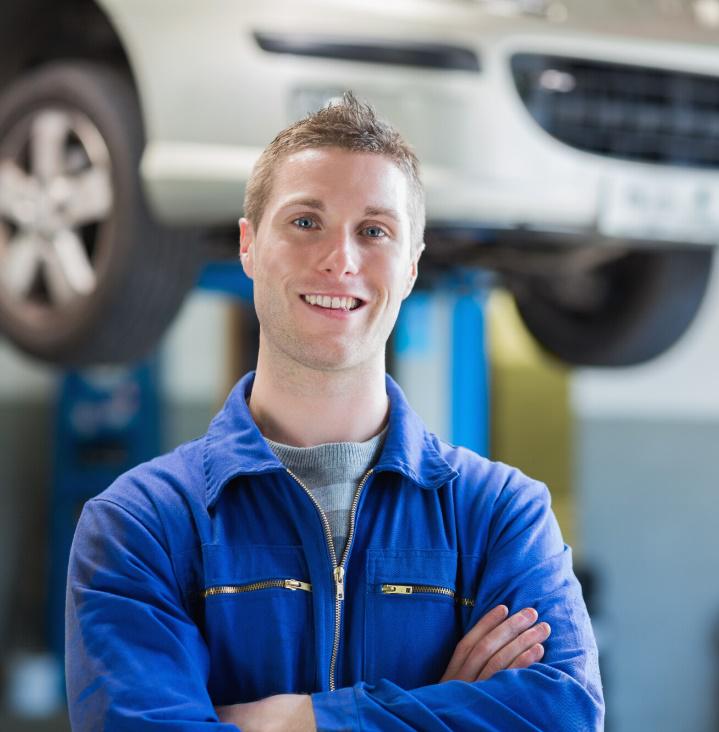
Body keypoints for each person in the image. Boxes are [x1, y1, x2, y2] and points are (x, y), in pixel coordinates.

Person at [64, 94, 604, 731]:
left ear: (410, 267)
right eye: (305, 222)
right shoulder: (142, 526)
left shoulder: (499, 517)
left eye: (374, 230)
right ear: (248, 244)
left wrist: (298, 720)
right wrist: (440, 710)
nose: (340, 260)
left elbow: (563, 715)